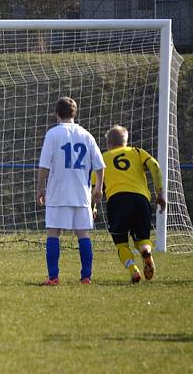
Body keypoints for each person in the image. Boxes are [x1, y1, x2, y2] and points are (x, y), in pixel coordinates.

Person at [36, 97, 105, 285]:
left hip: (58, 192)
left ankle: (53, 277)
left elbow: (44, 166)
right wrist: (98, 188)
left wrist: (40, 189)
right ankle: (86, 277)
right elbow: (100, 165)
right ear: (74, 114)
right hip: (82, 194)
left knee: (53, 233)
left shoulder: (53, 134)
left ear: (57, 114)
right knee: (83, 234)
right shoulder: (86, 135)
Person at [92, 125, 165, 284]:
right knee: (142, 239)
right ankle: (146, 251)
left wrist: (93, 208)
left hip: (117, 201)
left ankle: (133, 269)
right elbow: (155, 166)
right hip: (140, 199)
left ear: (108, 143)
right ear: (126, 141)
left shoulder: (102, 158)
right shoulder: (137, 152)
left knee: (121, 243)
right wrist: (160, 193)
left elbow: (94, 188)